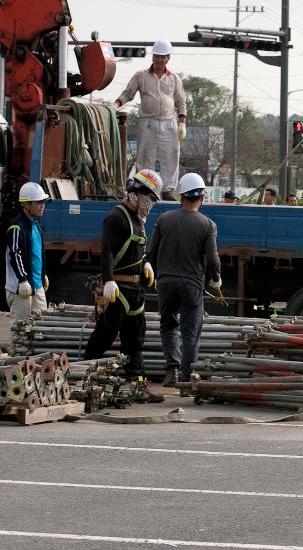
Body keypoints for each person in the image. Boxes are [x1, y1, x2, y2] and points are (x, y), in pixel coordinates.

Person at [83, 170, 163, 398]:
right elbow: (106, 251)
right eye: (150, 197)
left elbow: (138, 249)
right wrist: (108, 280)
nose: (151, 203)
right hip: (116, 290)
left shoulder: (139, 221)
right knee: (104, 337)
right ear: (136, 193)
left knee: (135, 340)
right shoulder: (116, 218)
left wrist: (145, 263)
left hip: (134, 290)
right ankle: (83, 377)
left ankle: (138, 385)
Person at [150, 173, 221, 387]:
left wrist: (155, 274)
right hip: (191, 285)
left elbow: (151, 253)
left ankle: (172, 369)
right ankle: (187, 378)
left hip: (165, 283)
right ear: (201, 198)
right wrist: (215, 282)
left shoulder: (164, 219)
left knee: (168, 325)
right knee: (190, 332)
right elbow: (213, 260)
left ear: (181, 196)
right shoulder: (208, 225)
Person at [115, 40, 187, 197]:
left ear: (168, 58)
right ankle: (145, 187)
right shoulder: (141, 76)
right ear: (152, 56)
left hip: (169, 122)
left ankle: (168, 190)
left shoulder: (174, 78)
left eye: (162, 57)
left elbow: (181, 100)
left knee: (171, 156)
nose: (159, 60)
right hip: (148, 122)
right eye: (156, 56)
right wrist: (116, 104)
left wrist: (182, 123)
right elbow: (128, 93)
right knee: (145, 155)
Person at [5, 181, 50, 326]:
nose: (42, 205)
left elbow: (37, 255)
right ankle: (15, 350)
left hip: (36, 286)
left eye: (43, 201)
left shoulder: (36, 225)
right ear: (26, 204)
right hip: (21, 289)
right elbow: (15, 254)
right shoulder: (17, 227)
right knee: (20, 330)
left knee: (41, 328)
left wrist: (42, 275)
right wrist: (22, 280)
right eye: (38, 202)